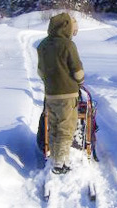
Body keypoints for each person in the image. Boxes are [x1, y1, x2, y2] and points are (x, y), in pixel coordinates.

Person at [37, 13, 84, 174]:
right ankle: (60, 163)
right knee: (66, 128)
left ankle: (53, 157)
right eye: (73, 28)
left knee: (54, 126)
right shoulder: (68, 45)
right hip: (68, 94)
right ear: (66, 27)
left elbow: (40, 71)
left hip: (50, 94)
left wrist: (50, 83)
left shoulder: (42, 45)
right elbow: (77, 70)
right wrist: (80, 81)